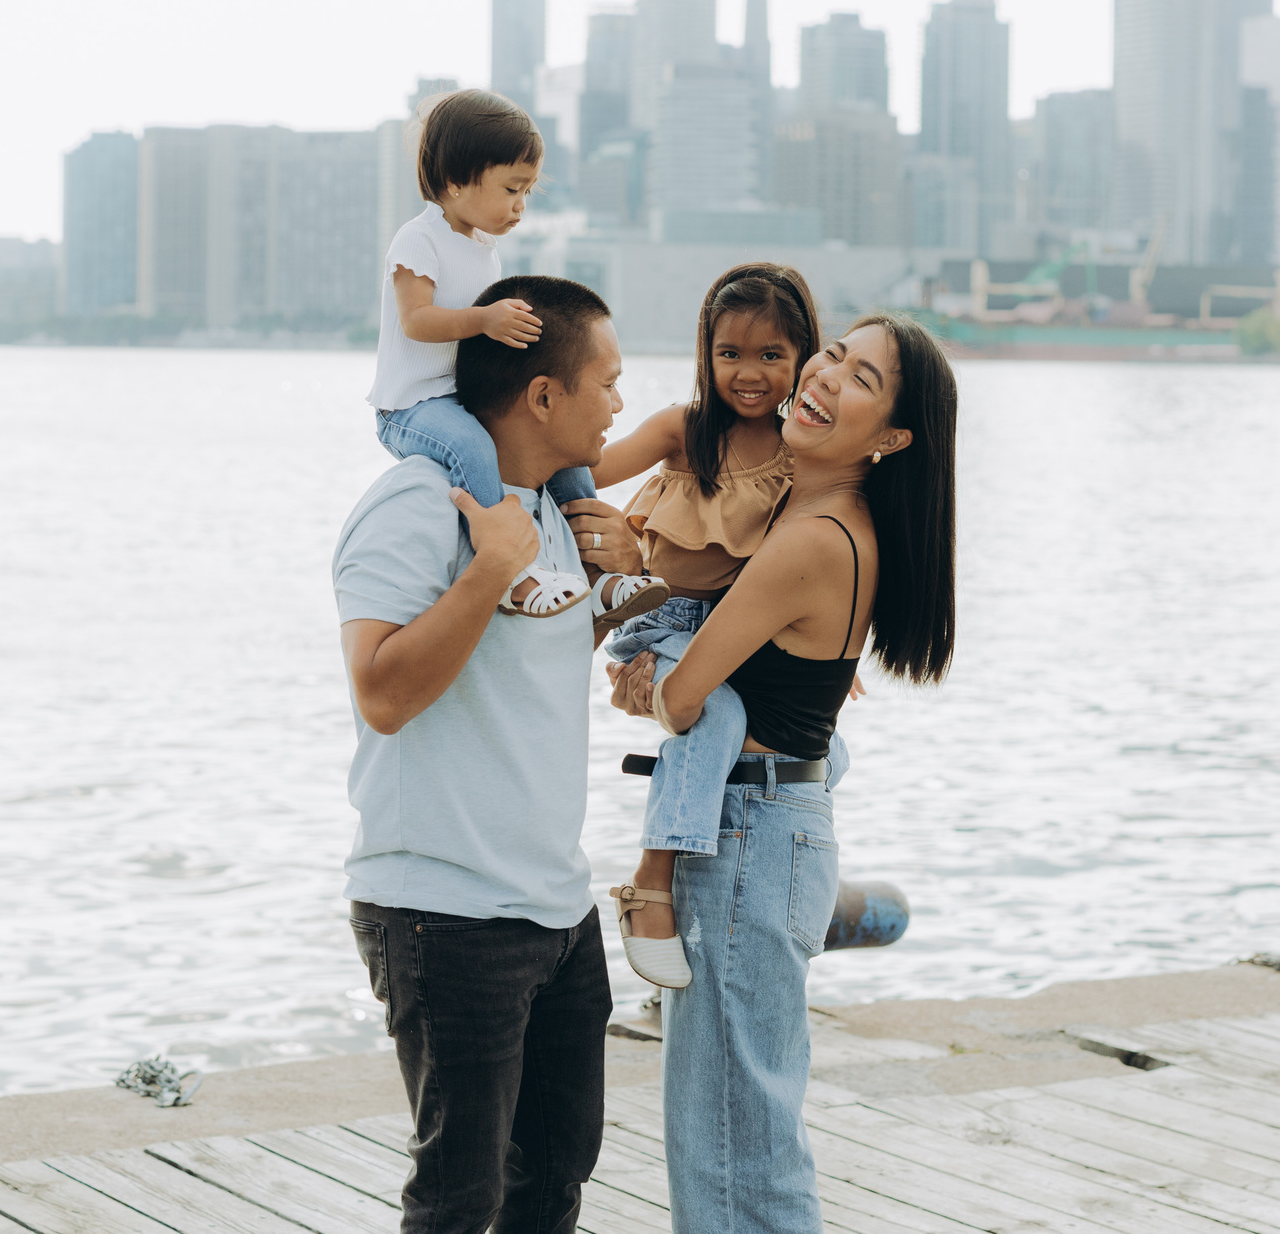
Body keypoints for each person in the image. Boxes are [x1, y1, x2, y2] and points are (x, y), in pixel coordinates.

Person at [608, 312, 959, 1234]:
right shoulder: (807, 515)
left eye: (864, 379)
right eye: (835, 352)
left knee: (735, 1144)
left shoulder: (816, 538)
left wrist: (644, 684)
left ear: (890, 437)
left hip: (753, 841)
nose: (827, 374)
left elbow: (686, 700)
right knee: (735, 1133)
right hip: (770, 829)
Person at [335, 275, 652, 1234]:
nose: (620, 404)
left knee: (554, 1175)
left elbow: (534, 656)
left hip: (556, 907)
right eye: (607, 381)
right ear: (544, 395)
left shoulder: (552, 512)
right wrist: (486, 570)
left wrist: (627, 578)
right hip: (443, 910)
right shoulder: (417, 503)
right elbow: (383, 692)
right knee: (457, 1198)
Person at [583, 263, 824, 990]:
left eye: (771, 355)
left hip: (736, 634)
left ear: (803, 357)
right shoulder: (682, 431)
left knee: (821, 749)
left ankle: (785, 883)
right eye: (730, 354)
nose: (749, 373)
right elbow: (579, 465)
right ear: (705, 354)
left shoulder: (801, 458)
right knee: (713, 711)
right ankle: (653, 877)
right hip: (661, 622)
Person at [368, 87, 665, 626]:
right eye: (511, 189)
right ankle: (507, 571)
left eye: (527, 191)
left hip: (461, 396)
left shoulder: (483, 247)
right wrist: (485, 320)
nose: (520, 207)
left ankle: (598, 580)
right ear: (456, 181)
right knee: (475, 450)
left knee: (572, 468)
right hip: (412, 406)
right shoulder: (418, 240)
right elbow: (418, 320)